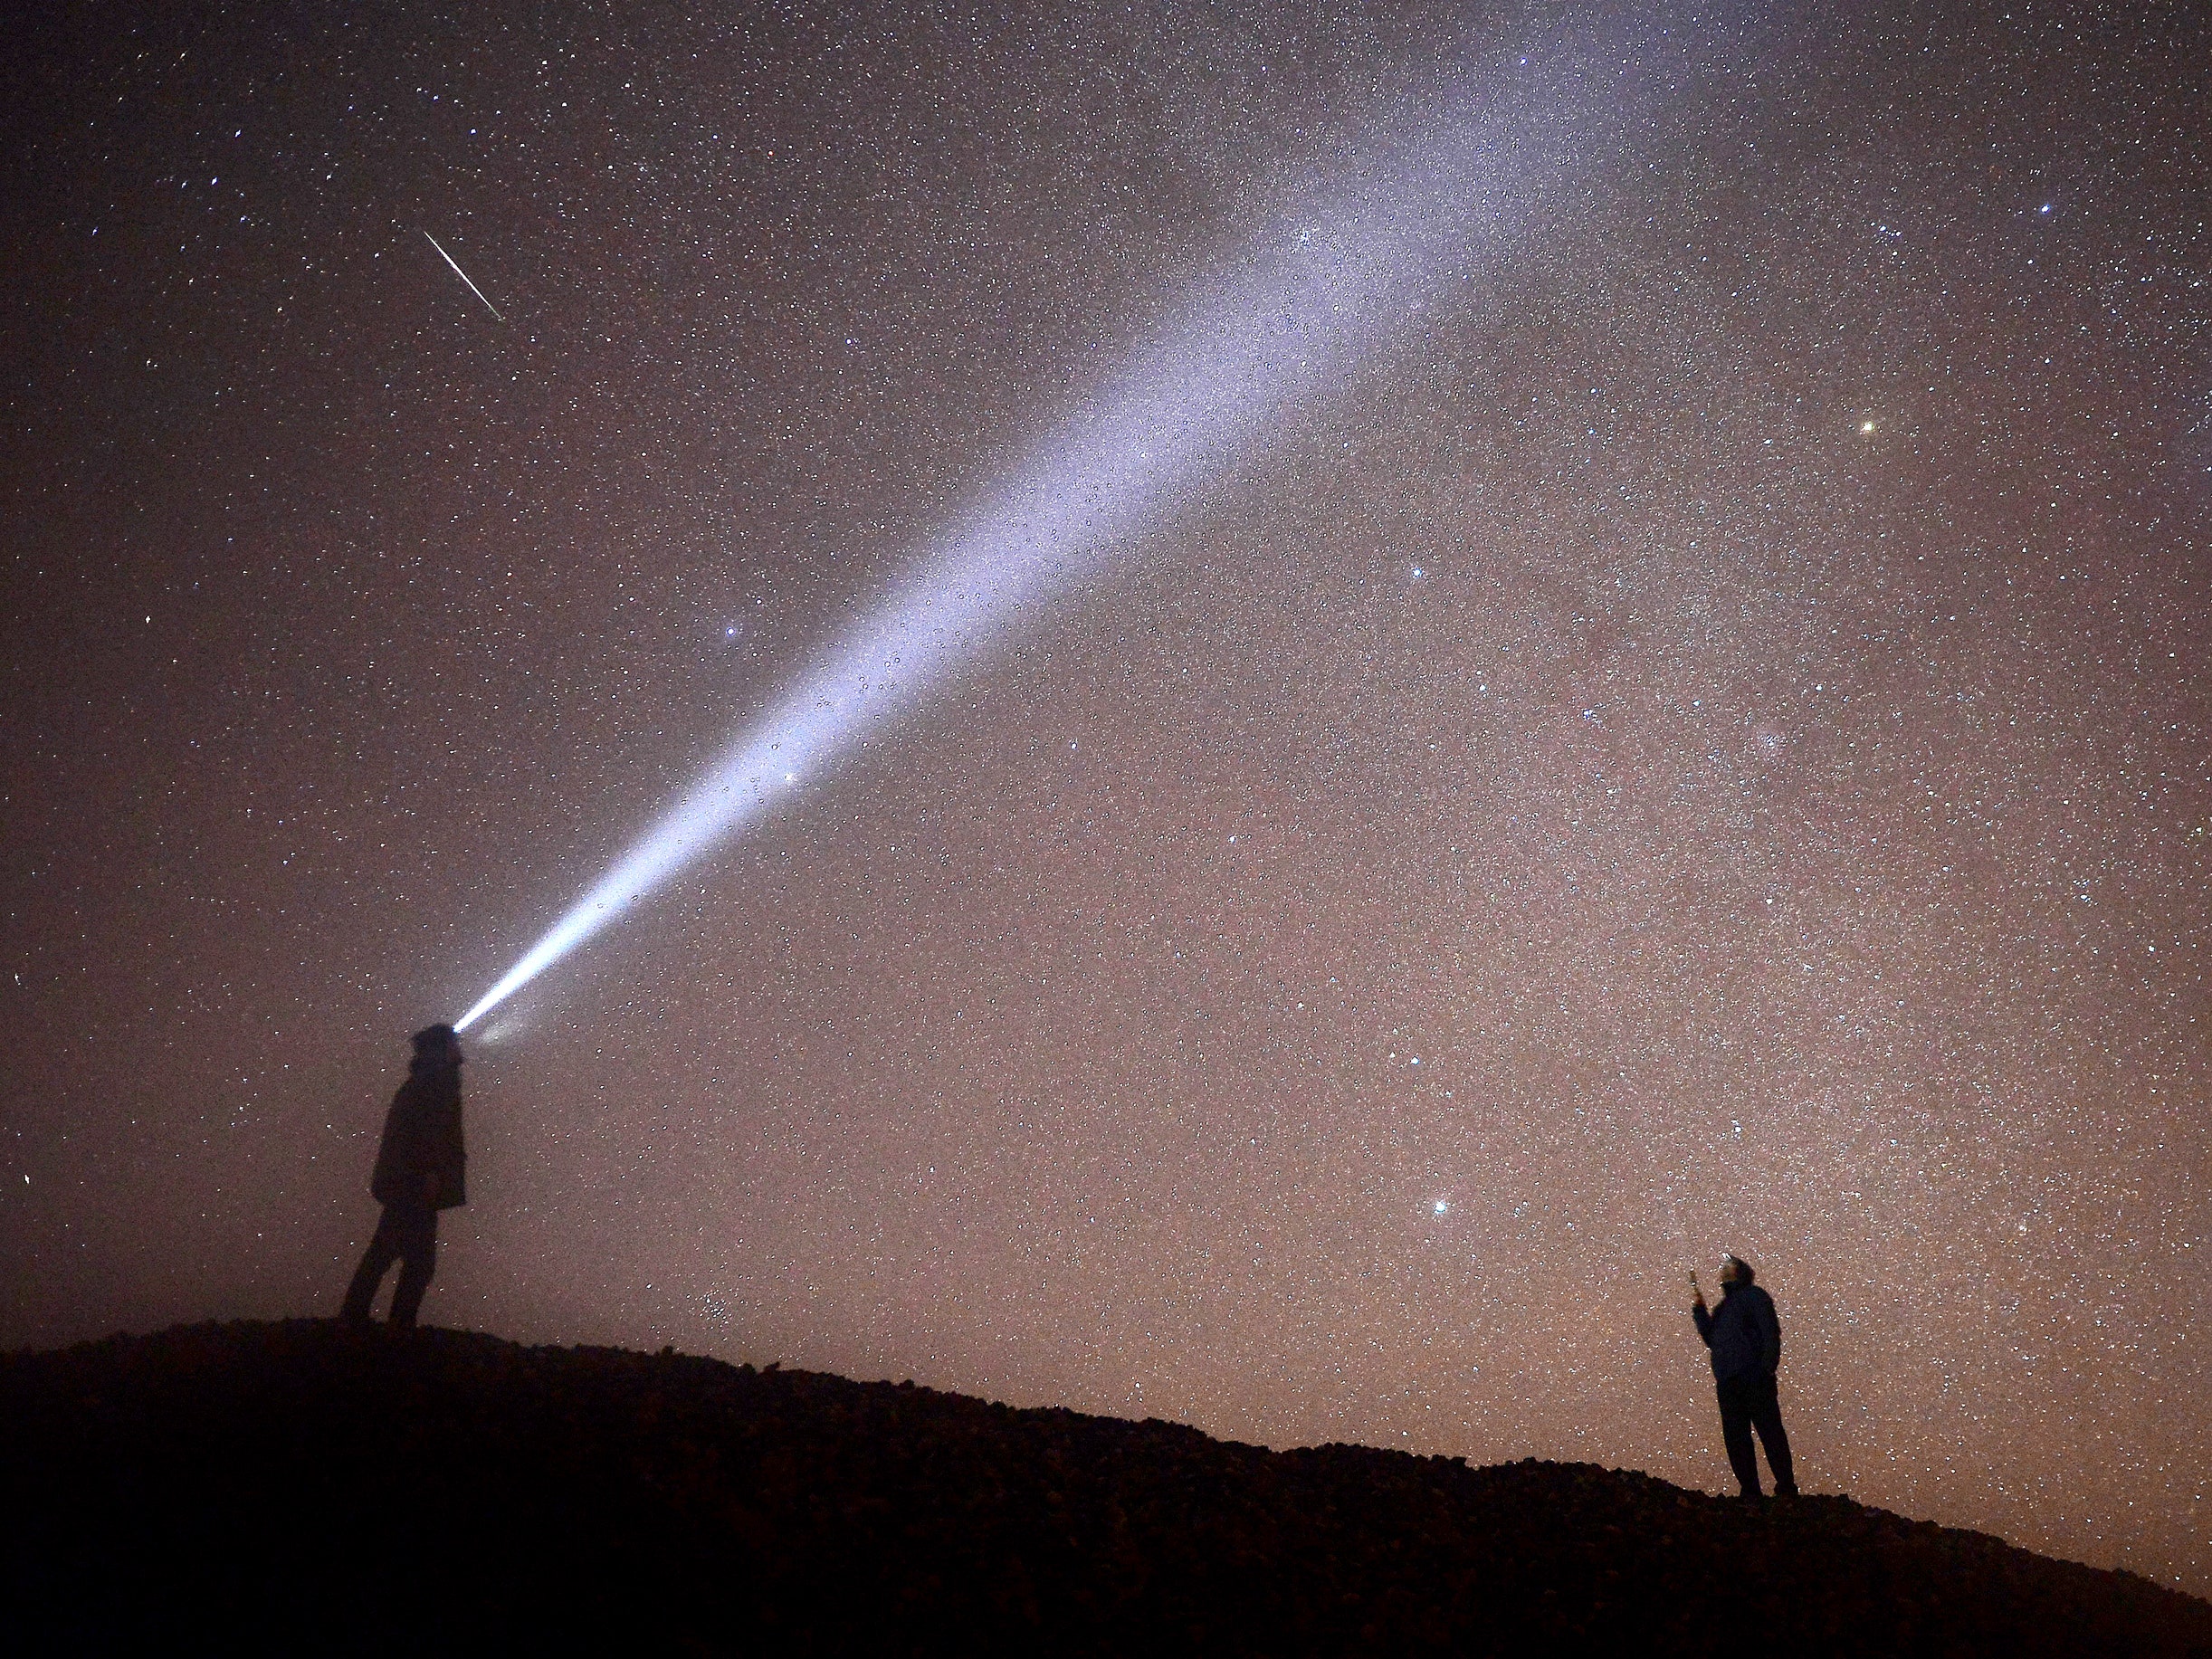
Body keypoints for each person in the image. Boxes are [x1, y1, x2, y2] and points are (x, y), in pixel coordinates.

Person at [340, 1024, 467, 1328]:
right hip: (415, 1183)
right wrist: (430, 1173)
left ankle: (366, 1317)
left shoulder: (427, 1082)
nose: (459, 1048)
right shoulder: (434, 1084)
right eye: (453, 1043)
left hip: (409, 1181)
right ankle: (389, 1322)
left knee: (396, 1253)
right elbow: (427, 1133)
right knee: (407, 1257)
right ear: (442, 1049)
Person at [1691, 1254, 1797, 1499]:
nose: (1723, 1270)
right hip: (1728, 1380)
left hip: (1753, 1374)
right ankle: (1750, 1491)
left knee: (1769, 1431)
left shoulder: (1754, 1296)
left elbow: (1770, 1331)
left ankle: (1786, 1487)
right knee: (1736, 1438)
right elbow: (1712, 1339)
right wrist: (1699, 1312)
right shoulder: (1722, 1308)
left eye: (1728, 1267)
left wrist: (1767, 1367)